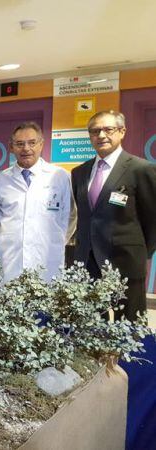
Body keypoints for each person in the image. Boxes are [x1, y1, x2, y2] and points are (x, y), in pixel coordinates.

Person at [71, 110, 156, 320]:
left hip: (125, 262)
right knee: (89, 326)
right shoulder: (79, 172)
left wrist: (140, 251)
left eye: (108, 129)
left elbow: (153, 219)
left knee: (129, 327)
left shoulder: (141, 169)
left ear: (122, 132)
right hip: (87, 263)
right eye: (95, 131)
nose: (101, 135)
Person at [0, 122, 74, 282]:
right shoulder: (0, 180)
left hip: (48, 258)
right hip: (10, 259)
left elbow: (71, 216)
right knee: (9, 304)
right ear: (11, 147)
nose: (26, 148)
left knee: (46, 303)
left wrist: (54, 238)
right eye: (19, 144)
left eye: (32, 143)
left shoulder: (61, 176)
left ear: (41, 144)